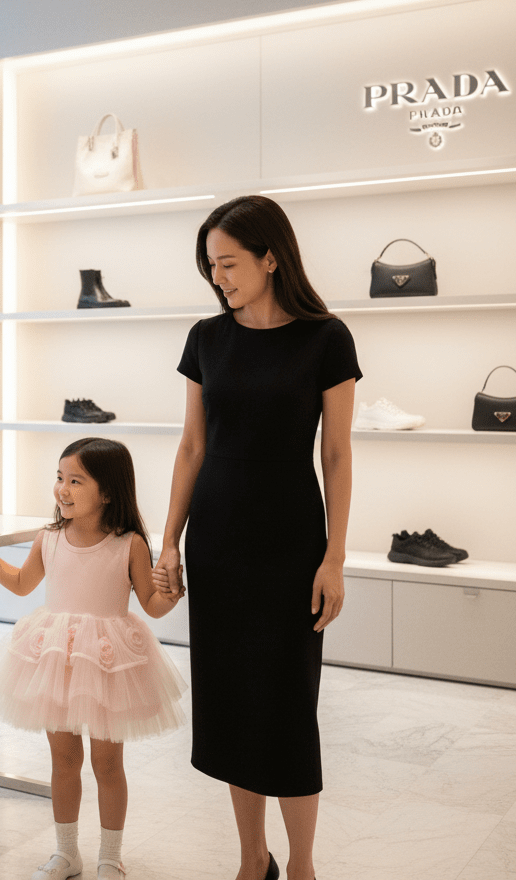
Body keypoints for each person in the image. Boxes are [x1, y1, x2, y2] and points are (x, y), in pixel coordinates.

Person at [153, 195, 361, 880]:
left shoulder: (326, 338)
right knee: (230, 708)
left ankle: (301, 865)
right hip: (217, 545)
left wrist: (334, 556)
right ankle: (252, 859)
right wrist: (168, 542)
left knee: (288, 710)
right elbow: (191, 448)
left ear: (272, 257)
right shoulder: (207, 339)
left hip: (291, 547)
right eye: (211, 266)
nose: (219, 277)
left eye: (230, 263)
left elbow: (336, 455)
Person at [0, 438, 187, 880]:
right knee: (63, 760)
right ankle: (67, 853)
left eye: (75, 481)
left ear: (107, 492)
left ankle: (110, 856)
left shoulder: (130, 544)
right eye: (59, 478)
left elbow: (151, 604)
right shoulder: (49, 539)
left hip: (106, 662)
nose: (62, 489)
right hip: (55, 657)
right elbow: (24, 583)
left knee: (107, 764)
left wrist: (173, 592)